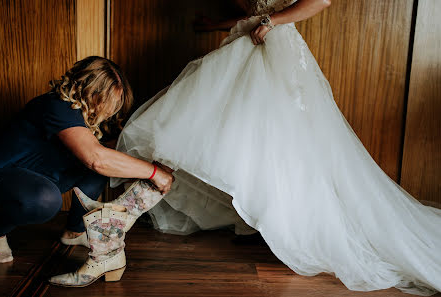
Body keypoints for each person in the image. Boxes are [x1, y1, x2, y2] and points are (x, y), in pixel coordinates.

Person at [110, 0, 441, 295]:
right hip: (247, 46)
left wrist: (273, 22)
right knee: (197, 131)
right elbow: (258, 9)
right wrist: (221, 24)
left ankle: (114, 221)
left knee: (272, 144)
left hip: (274, 51)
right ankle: (116, 219)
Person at [0, 56, 174, 263]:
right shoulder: (57, 105)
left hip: (39, 174)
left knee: (103, 166)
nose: (111, 110)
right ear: (89, 91)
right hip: (3, 174)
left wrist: (155, 162)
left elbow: (110, 155)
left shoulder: (89, 116)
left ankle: (75, 232)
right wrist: (153, 172)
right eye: (108, 101)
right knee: (47, 198)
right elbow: (96, 158)